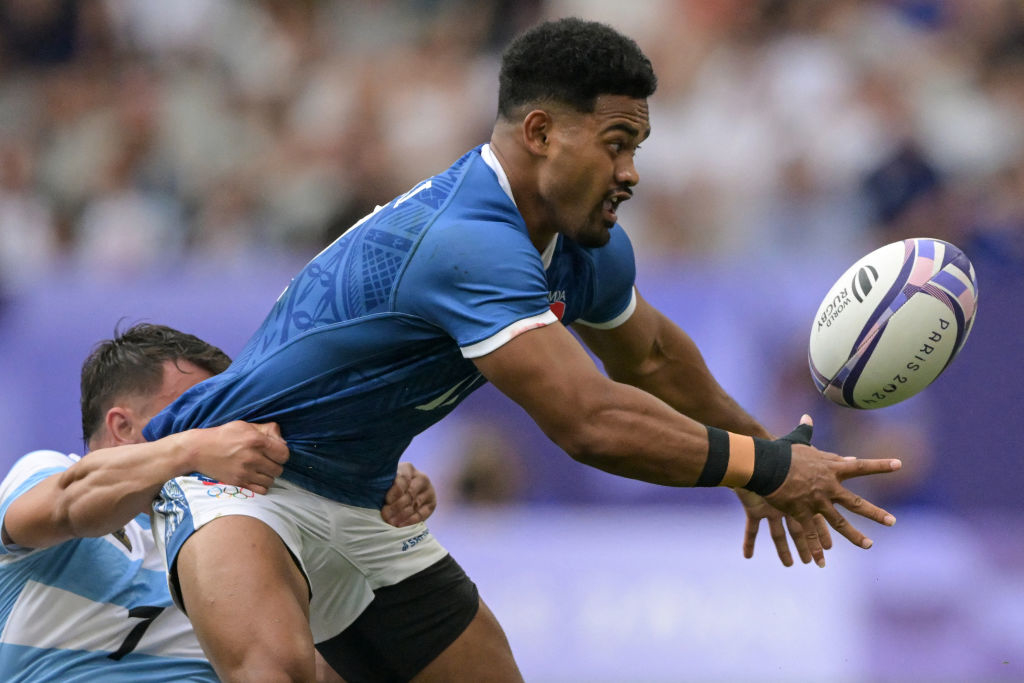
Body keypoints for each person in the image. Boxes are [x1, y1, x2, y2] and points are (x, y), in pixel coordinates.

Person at [144, 17, 904, 682]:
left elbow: (653, 359)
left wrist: (757, 450)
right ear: (540, 133)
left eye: (637, 145)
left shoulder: (582, 241)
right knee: (274, 673)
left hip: (364, 496)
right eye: (616, 144)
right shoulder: (465, 240)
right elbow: (588, 421)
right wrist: (764, 466)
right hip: (234, 474)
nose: (632, 172)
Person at [0, 323, 438, 681]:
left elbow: (329, 667)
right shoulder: (49, 472)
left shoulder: (246, 534)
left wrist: (366, 498)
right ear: (122, 426)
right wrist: (193, 449)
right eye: (196, 412)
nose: (220, 431)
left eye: (223, 415)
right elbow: (68, 503)